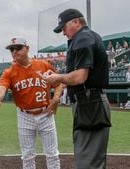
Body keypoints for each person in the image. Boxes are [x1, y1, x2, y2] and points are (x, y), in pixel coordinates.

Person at [46, 9, 111, 169]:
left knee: (88, 163)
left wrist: (58, 78)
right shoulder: (86, 37)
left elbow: (80, 76)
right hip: (89, 102)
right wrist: (58, 74)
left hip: (91, 102)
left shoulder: (83, 37)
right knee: (87, 159)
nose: (63, 33)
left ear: (76, 22)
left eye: (64, 28)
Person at [0, 37, 62, 169]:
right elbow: (1, 88)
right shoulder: (9, 72)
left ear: (27, 49)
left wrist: (56, 98)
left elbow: (58, 84)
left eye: (18, 48)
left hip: (46, 113)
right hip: (24, 116)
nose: (14, 51)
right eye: (11, 49)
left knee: (52, 155)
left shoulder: (43, 65)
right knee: (27, 156)